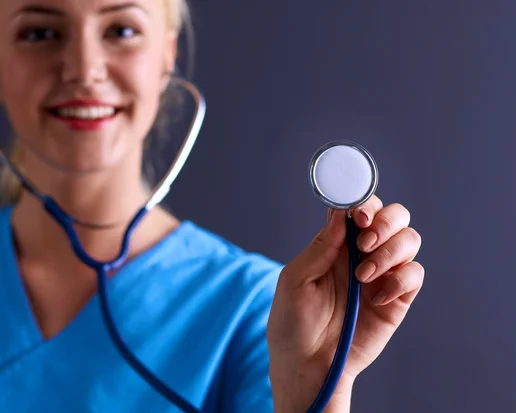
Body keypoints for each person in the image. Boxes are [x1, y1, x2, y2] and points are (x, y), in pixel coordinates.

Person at [0, 0, 424, 412]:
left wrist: (315, 393)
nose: (83, 69)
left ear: (167, 55)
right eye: (40, 33)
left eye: (121, 30)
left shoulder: (263, 310)